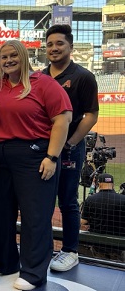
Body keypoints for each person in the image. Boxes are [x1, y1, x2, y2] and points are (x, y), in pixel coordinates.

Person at [0, 40, 72, 290]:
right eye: (3, 57)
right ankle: (4, 263)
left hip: (34, 153)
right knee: (0, 212)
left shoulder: (43, 83)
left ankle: (34, 272)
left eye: (14, 55)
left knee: (35, 215)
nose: (8, 60)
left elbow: (62, 120)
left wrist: (52, 157)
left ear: (24, 57)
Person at [43, 24, 100, 272]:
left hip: (69, 149)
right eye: (50, 44)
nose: (54, 48)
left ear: (70, 47)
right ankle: (43, 248)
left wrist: (71, 142)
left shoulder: (83, 76)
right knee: (43, 200)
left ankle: (70, 250)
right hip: (44, 149)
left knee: (67, 200)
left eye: (59, 44)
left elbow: (91, 115)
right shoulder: (41, 76)